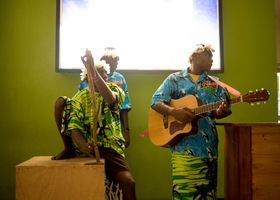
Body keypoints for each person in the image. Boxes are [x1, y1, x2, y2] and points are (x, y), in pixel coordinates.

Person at [150, 44, 231, 200]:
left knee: (207, 195)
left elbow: (219, 112)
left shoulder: (215, 83)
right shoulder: (174, 79)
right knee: (183, 194)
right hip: (182, 148)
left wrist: (221, 112)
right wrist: (174, 112)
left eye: (212, 56)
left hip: (208, 148)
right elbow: (155, 101)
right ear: (195, 56)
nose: (212, 59)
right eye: (208, 55)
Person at [52, 51, 136, 200]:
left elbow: (111, 99)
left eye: (104, 73)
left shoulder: (115, 89)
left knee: (128, 182)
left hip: (110, 148)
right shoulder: (80, 97)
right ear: (87, 77)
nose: (104, 75)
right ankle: (68, 149)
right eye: (99, 73)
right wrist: (83, 145)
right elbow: (74, 126)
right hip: (89, 148)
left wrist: (94, 72)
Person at [79, 47, 131, 148]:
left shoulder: (119, 79)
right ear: (104, 60)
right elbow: (79, 105)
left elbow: (124, 106)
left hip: (113, 129)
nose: (116, 63)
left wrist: (126, 131)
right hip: (90, 127)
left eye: (117, 61)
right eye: (113, 60)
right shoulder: (87, 78)